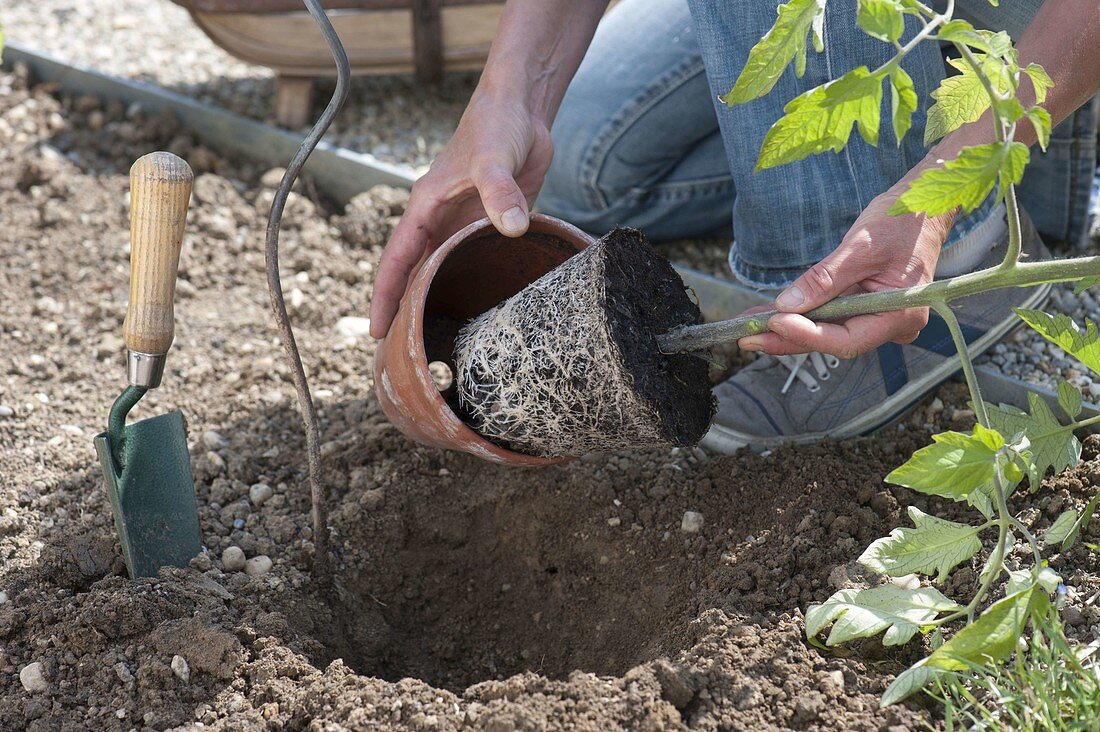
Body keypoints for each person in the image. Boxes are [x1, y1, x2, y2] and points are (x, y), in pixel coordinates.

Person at [369, 0, 1100, 453]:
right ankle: (845, 153)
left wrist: (941, 196)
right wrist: (510, 94)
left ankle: (944, 249)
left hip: (1046, 42)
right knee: (580, 166)